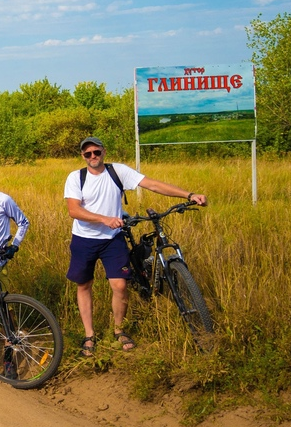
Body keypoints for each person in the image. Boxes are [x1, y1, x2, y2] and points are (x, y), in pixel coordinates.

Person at [65, 137, 208, 356]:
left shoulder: (117, 171)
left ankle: (119, 331)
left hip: (113, 239)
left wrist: (189, 194)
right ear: (83, 156)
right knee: (84, 285)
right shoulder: (76, 177)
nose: (93, 156)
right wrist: (104, 219)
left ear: (104, 151)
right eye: (88, 154)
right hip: (84, 239)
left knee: (120, 286)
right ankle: (89, 334)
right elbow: (74, 210)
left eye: (96, 152)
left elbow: (152, 184)